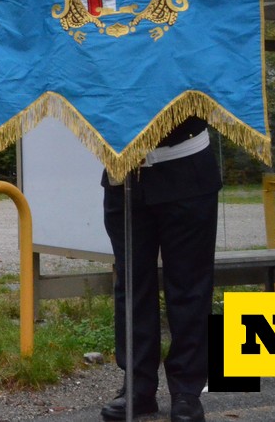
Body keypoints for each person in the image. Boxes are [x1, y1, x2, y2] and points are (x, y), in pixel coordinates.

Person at [100, 115, 219, 422]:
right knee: (131, 286)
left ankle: (187, 391)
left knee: (190, 286)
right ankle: (138, 386)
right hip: (124, 172)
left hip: (185, 164)